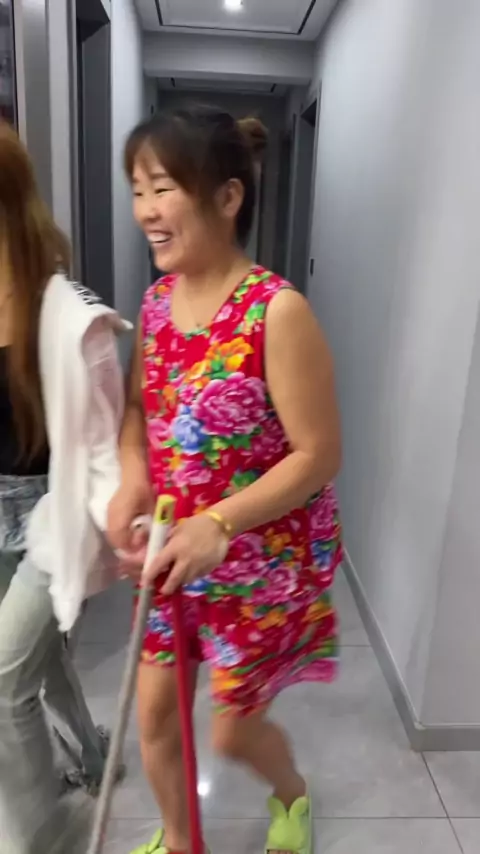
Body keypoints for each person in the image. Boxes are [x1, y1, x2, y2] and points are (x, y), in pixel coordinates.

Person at [107, 105, 343, 854]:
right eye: (137, 190)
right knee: (153, 718)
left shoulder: (277, 311)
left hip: (255, 562)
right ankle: (183, 842)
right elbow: (140, 411)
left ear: (228, 196)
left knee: (233, 734)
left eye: (162, 188)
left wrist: (219, 524)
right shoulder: (154, 305)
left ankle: (293, 797)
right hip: (175, 556)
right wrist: (133, 476)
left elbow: (318, 455)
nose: (145, 211)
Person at [0, 120, 128, 853]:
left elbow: (105, 448)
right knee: (38, 664)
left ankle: (45, 837)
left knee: (5, 680)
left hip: (54, 512)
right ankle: (94, 751)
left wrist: (127, 529)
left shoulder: (71, 315)